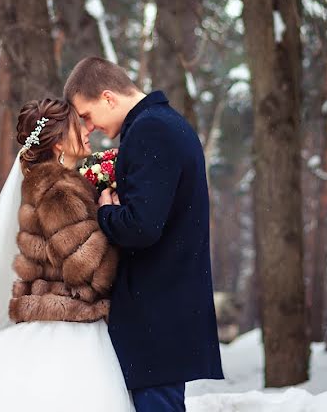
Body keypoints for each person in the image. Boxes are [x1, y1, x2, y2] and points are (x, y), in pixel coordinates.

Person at [0, 98, 135, 412]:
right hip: (71, 324)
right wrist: (111, 216)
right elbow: (87, 268)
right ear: (59, 140)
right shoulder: (60, 190)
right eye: (79, 125)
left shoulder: (48, 182)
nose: (89, 129)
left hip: (55, 319)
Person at [65, 57, 224, 412]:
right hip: (164, 309)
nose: (89, 127)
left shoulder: (151, 129)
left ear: (108, 97)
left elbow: (141, 225)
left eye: (87, 115)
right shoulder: (163, 124)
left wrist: (104, 210)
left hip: (157, 314)